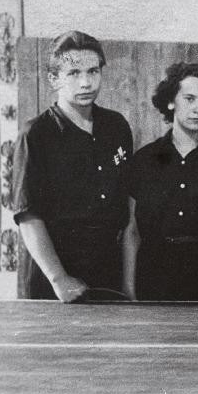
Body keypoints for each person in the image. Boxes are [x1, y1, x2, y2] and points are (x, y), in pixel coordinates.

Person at [12, 31, 133, 302]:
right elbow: (28, 217)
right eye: (74, 73)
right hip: (52, 272)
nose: (86, 82)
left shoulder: (117, 127)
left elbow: (126, 209)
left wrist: (127, 282)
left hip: (105, 267)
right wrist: (59, 278)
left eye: (93, 71)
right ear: (54, 79)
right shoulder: (36, 134)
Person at [122, 62, 198, 301]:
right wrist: (129, 291)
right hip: (154, 280)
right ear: (171, 101)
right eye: (189, 98)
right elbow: (132, 232)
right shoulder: (145, 160)